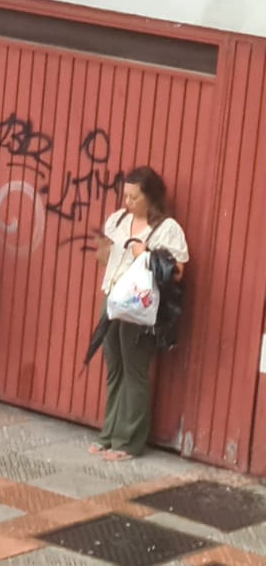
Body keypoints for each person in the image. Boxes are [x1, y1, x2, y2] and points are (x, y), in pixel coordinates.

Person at [91, 167, 188, 461]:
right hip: (112, 298)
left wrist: (146, 254)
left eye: (134, 197)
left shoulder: (167, 228)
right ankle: (109, 434)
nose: (127, 202)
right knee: (115, 368)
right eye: (126, 195)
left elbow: (179, 271)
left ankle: (129, 442)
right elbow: (102, 258)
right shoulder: (118, 220)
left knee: (135, 371)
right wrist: (104, 248)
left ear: (150, 197)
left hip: (141, 306)